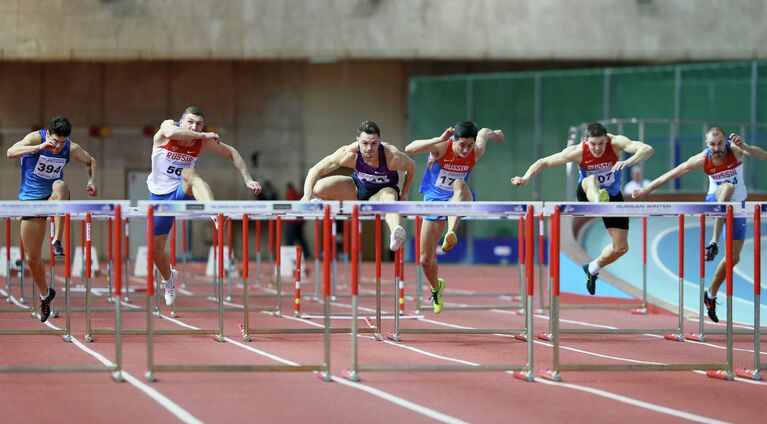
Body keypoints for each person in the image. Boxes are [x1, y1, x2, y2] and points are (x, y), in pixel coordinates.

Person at [633, 128, 767, 322]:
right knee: (727, 188)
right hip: (715, 200)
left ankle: (710, 294)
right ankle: (713, 241)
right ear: (707, 144)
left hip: (739, 208)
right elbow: (674, 173)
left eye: (720, 143)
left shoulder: (735, 150)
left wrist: (744, 146)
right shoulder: (702, 159)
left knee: (734, 257)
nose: (717, 148)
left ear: (724, 142)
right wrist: (647, 189)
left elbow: (763, 155)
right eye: (712, 144)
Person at [511, 122, 654, 295]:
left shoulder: (616, 143)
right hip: (587, 193)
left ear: (606, 139)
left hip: (613, 196)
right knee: (590, 180)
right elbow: (544, 162)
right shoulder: (578, 151)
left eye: (601, 143)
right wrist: (525, 178)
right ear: (586, 140)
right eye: (593, 144)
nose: (597, 148)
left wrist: (628, 161)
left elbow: (647, 149)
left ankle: (592, 268)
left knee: (620, 248)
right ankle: (599, 202)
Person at [148, 106, 261, 306]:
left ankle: (214, 213)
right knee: (155, 251)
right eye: (190, 122)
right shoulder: (168, 128)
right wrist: (204, 134)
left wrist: (247, 179)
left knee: (189, 173)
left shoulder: (201, 142)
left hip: (183, 191)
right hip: (159, 197)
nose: (194, 127)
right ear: (181, 121)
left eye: (199, 124)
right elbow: (173, 132)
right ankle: (169, 279)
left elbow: (232, 153)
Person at [405, 121, 505, 314]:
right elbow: (409, 149)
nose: (466, 150)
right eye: (462, 145)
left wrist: (495, 134)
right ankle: (436, 287)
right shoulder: (442, 148)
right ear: (454, 141)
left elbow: (484, 132)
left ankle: (451, 231)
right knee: (425, 259)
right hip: (435, 202)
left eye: (470, 145)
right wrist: (438, 139)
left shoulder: (477, 150)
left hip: (461, 197)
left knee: (459, 184)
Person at [6, 116, 97, 322]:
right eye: (55, 142)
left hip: (53, 197)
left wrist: (91, 180)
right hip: (31, 201)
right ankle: (45, 295)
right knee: (32, 258)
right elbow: (10, 152)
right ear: (48, 135)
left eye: (62, 143)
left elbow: (91, 161)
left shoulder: (70, 148)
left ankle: (57, 240)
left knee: (60, 186)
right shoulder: (34, 138)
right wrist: (39, 147)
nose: (58, 147)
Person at [302, 120, 415, 251]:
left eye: (374, 144)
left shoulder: (391, 156)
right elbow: (315, 170)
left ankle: (396, 232)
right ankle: (324, 202)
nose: (369, 148)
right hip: (358, 188)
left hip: (383, 192)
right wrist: (307, 195)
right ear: (357, 141)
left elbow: (411, 166)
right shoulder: (349, 154)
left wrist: (405, 191)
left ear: (379, 141)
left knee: (389, 196)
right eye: (365, 143)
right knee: (319, 187)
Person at [284, 183, 310, 257]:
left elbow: (291, 206)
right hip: (298, 221)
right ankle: (307, 254)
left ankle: (289, 256)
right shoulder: (298, 194)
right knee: (301, 240)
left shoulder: (291, 193)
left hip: (292, 221)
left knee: (289, 240)